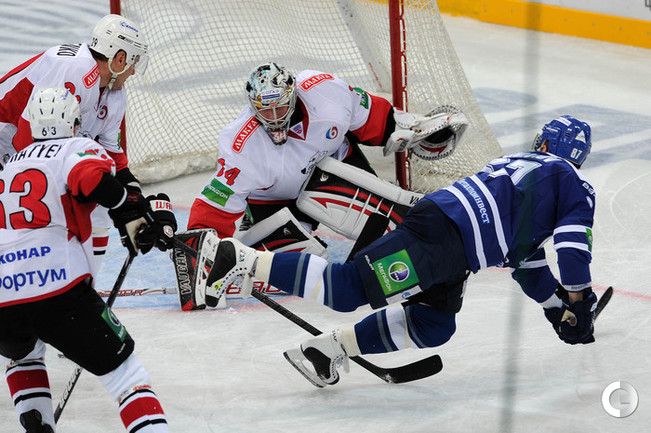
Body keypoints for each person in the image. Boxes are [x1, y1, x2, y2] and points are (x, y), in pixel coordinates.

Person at [203, 115, 598, 387]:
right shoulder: (572, 182)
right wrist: (578, 302)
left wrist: (556, 306)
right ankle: (244, 260)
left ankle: (327, 349)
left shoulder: (523, 164)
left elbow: (527, 262)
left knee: (434, 323)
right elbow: (572, 249)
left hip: (451, 242)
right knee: (346, 289)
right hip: (443, 239)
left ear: (545, 143)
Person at [176, 61, 468, 309]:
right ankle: (258, 231)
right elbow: (214, 206)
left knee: (388, 225)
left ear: (293, 94)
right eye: (265, 110)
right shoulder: (241, 145)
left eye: (280, 107)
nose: (274, 118)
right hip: (275, 202)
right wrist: (198, 255)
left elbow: (374, 118)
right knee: (298, 268)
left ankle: (434, 254)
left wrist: (410, 129)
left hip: (335, 168)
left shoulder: (324, 91)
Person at [0, 87, 176, 431]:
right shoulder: (75, 148)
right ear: (75, 122)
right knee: (126, 376)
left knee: (24, 356)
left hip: (4, 294)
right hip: (57, 288)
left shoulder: (9, 167)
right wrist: (131, 208)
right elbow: (91, 180)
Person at [0, 13, 149, 264]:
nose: (134, 71)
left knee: (96, 203)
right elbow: (28, 143)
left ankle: (83, 279)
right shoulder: (73, 69)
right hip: (8, 139)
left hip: (23, 146)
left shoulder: (115, 94)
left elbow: (111, 158)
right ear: (120, 58)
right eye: (133, 61)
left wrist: (134, 200)